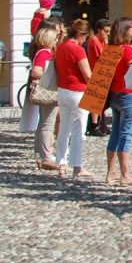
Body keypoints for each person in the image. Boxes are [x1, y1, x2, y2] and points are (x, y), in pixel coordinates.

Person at [103, 17, 132, 186]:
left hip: (115, 93)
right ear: (126, 30)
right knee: (127, 134)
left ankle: (110, 173)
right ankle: (125, 174)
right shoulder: (128, 49)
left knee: (115, 134)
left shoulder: (111, 48)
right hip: (129, 94)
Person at [53, 18, 93, 179]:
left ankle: (61, 164)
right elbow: (88, 75)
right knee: (78, 130)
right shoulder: (78, 50)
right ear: (80, 34)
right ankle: (77, 166)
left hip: (63, 90)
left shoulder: (60, 47)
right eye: (85, 37)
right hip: (78, 92)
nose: (85, 40)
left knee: (64, 129)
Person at [27, 23, 60, 171]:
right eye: (54, 39)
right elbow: (36, 72)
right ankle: (47, 155)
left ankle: (40, 154)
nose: (56, 41)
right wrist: (50, 73)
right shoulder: (45, 53)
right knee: (48, 124)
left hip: (46, 91)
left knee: (43, 123)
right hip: (48, 91)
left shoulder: (41, 51)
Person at [86, 17, 111, 137]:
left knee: (101, 101)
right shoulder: (95, 40)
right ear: (99, 30)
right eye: (105, 31)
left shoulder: (99, 40)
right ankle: (94, 125)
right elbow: (104, 55)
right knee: (95, 101)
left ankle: (102, 125)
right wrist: (106, 42)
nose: (107, 34)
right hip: (96, 71)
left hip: (101, 72)